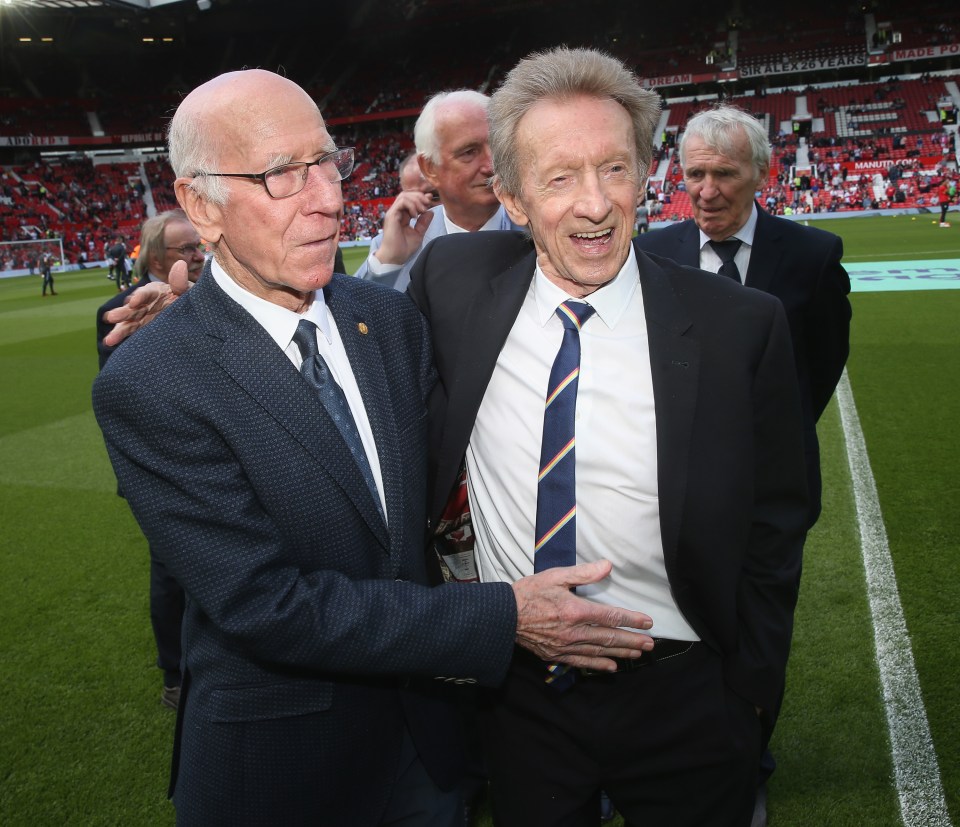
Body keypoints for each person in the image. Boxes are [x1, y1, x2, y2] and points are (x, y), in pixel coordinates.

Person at [91, 68, 655, 827]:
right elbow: (267, 605)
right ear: (200, 205)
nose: (327, 196)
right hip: (283, 773)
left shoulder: (385, 320)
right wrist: (500, 618)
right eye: (281, 174)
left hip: (427, 749)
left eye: (327, 161)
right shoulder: (152, 381)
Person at [407, 46, 809, 827]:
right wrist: (187, 308)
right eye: (560, 178)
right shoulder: (451, 283)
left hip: (688, 694)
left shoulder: (739, 326)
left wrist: (750, 694)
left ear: (645, 175)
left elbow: (779, 518)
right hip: (519, 694)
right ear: (515, 199)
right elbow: (347, 338)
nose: (595, 204)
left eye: (614, 170)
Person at [634, 102, 851, 826]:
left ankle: (750, 752)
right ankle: (667, 752)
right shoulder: (652, 253)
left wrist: (768, 440)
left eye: (725, 174)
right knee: (675, 622)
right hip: (674, 486)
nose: (707, 190)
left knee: (761, 623)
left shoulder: (812, 256)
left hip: (770, 488)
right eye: (694, 173)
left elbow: (820, 366)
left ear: (760, 173)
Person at [95, 209, 206, 710]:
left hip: (214, 456)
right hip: (160, 467)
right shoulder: (122, 309)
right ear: (155, 256)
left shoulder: (213, 297)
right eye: (187, 249)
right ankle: (175, 674)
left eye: (198, 246)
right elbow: (121, 393)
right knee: (170, 571)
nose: (197, 255)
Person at [353, 89, 521, 292]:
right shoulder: (394, 246)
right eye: (469, 152)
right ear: (430, 168)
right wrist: (388, 262)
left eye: (496, 146)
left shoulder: (538, 229)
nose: (491, 166)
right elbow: (356, 319)